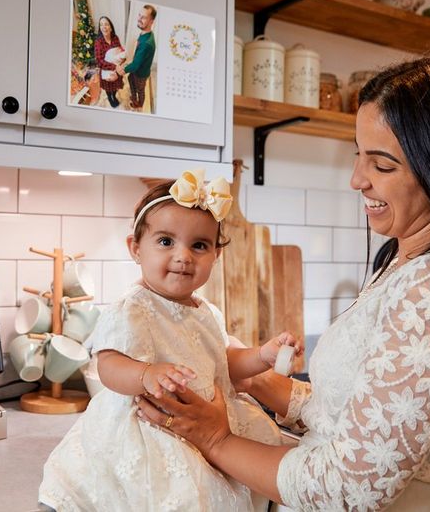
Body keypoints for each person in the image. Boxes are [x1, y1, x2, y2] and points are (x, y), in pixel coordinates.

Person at [136, 50, 430, 510]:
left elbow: (349, 487)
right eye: (358, 156)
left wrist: (215, 438)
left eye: (382, 165)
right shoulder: (404, 263)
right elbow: (353, 418)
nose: (356, 179)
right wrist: (258, 382)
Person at [38, 170, 302, 511]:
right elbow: (108, 365)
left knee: (257, 461)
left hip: (206, 419)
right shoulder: (132, 308)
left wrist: (262, 356)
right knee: (183, 494)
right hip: (155, 426)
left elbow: (224, 363)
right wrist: (146, 374)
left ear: (216, 256)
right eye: (166, 241)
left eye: (199, 245)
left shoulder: (206, 311)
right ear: (135, 248)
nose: (184, 256)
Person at [116, 4, 156, 111]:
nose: (139, 19)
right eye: (139, 15)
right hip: (137, 69)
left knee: (141, 90)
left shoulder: (147, 43)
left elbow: (135, 65)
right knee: (130, 79)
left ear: (152, 21)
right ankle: (134, 97)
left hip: (141, 73)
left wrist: (122, 69)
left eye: (143, 17)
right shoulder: (144, 34)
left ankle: (140, 104)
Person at [93, 16, 124, 108]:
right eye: (101, 25)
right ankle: (110, 97)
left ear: (111, 27)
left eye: (106, 24)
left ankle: (113, 95)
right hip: (106, 71)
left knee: (115, 86)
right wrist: (115, 67)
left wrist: (123, 55)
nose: (104, 27)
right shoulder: (98, 42)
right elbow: (99, 61)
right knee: (108, 87)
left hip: (116, 68)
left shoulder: (115, 38)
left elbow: (119, 50)